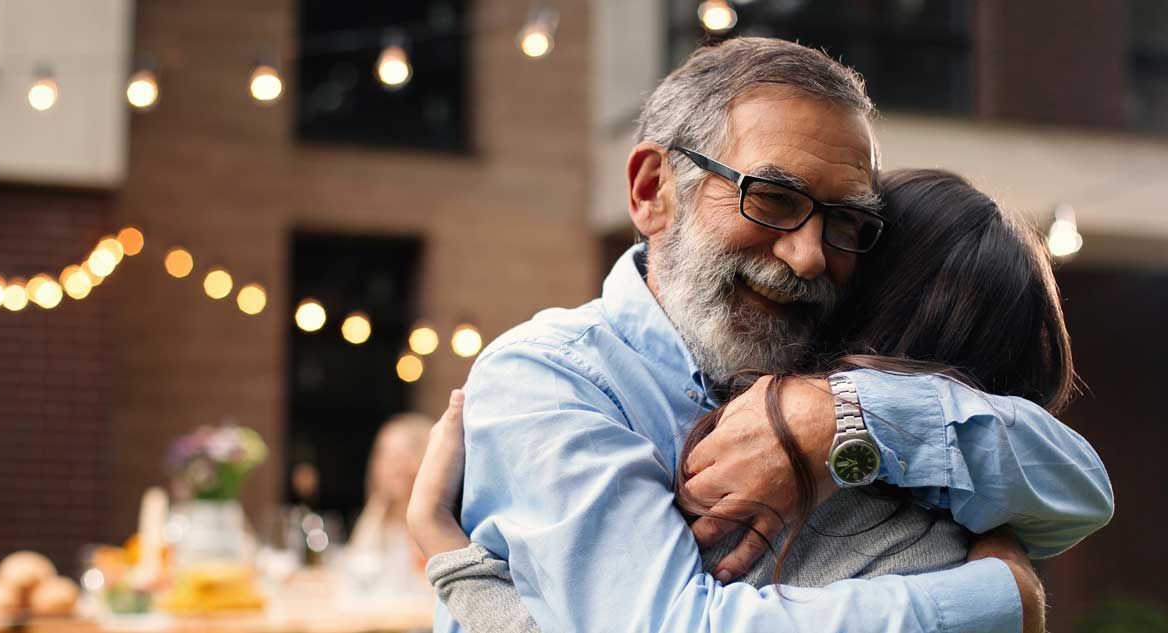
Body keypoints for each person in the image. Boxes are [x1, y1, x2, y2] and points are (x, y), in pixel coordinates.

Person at [415, 38, 1112, 633]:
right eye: (773, 199)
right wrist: (994, 598)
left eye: (845, 222)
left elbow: (1079, 488)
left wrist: (839, 419)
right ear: (653, 189)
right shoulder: (550, 379)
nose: (810, 255)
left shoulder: (821, 372)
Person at [346, 412, 434, 592]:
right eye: (384, 455)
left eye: (403, 456)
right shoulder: (379, 512)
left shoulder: (434, 520)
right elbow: (355, 567)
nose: (391, 466)